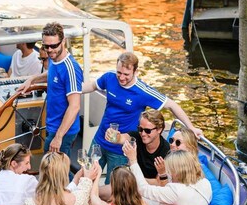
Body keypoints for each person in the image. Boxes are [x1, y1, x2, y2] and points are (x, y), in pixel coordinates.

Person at [82, 52, 203, 180]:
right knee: (86, 177)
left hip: (121, 149)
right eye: (119, 73)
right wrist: (69, 89)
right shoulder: (109, 77)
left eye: (126, 74)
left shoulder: (143, 92)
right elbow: (91, 86)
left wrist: (191, 128)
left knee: (113, 187)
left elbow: (172, 105)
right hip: (99, 140)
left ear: (135, 71)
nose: (121, 77)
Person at [19, 23, 83, 154]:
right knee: (53, 171)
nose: (49, 50)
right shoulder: (54, 59)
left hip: (63, 132)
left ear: (63, 41)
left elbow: (75, 106)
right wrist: (31, 80)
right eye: (45, 46)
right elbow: (52, 74)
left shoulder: (71, 68)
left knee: (54, 172)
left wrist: (58, 137)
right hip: (52, 126)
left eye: (53, 46)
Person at [125, 144, 212, 205]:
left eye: (170, 170)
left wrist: (133, 160)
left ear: (177, 172)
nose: (168, 172)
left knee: (132, 201)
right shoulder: (205, 183)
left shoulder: (176, 191)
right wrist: (162, 174)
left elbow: (143, 189)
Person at [21, 151, 95, 205]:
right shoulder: (78, 200)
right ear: (64, 174)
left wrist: (76, 179)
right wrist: (89, 178)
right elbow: (84, 191)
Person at [167, 128, 233, 205]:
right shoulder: (169, 161)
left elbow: (216, 191)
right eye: (171, 140)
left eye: (178, 142)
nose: (172, 145)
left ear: (190, 148)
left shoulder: (200, 170)